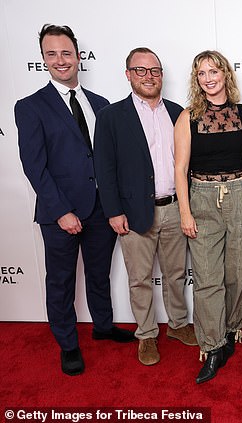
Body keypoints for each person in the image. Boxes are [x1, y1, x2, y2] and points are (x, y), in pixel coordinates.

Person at [14, 24, 134, 376]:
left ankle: (103, 326)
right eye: (51, 54)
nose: (60, 60)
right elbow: (34, 167)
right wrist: (62, 210)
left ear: (78, 56)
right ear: (43, 60)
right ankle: (67, 344)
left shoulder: (100, 105)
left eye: (66, 53)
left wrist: (115, 205)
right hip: (59, 212)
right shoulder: (30, 107)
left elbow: (109, 160)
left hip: (101, 208)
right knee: (61, 281)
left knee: (100, 275)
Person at [94, 47, 196, 367]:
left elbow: (189, 164)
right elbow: (104, 167)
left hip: (174, 207)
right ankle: (147, 333)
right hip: (133, 211)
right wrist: (112, 210)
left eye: (155, 71)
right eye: (141, 70)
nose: (149, 76)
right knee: (139, 278)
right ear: (128, 75)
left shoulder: (179, 112)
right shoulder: (112, 116)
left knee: (176, 274)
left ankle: (178, 325)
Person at [174, 50, 242, 384]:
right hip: (202, 199)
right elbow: (180, 168)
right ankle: (212, 347)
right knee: (207, 277)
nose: (208, 78)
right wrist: (185, 211)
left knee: (238, 271)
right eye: (201, 73)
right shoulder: (188, 116)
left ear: (226, 74)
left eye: (213, 71)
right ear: (197, 80)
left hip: (240, 193)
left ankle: (231, 328)